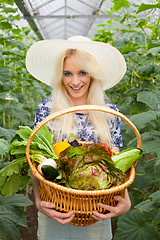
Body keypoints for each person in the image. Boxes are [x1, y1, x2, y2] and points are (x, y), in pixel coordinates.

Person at [26, 36, 131, 240]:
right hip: (56, 209)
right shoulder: (47, 109)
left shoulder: (109, 112)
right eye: (67, 73)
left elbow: (118, 165)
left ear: (93, 74)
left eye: (82, 72)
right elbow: (37, 160)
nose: (75, 81)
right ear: (60, 76)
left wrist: (125, 201)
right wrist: (39, 201)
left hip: (97, 212)